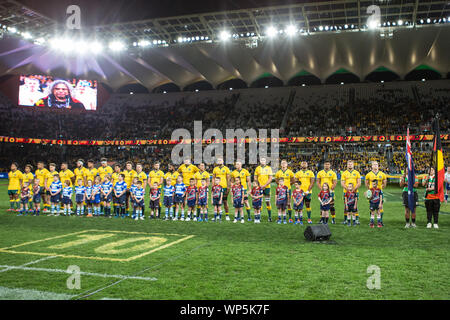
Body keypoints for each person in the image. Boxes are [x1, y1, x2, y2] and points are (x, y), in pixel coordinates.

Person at [365, 161, 387, 225]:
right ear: (371, 166)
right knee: (371, 207)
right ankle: (371, 222)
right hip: (372, 193)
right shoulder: (368, 174)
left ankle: (380, 221)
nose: (375, 165)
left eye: (376, 164)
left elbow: (384, 183)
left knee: (380, 207)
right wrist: (369, 190)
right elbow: (366, 183)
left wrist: (380, 188)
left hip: (379, 193)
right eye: (374, 164)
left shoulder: (382, 174)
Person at [341, 160, 361, 225]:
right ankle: (345, 220)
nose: (350, 165)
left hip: (355, 192)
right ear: (347, 165)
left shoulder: (357, 172)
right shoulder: (344, 173)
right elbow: (342, 183)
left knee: (355, 205)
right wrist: (349, 190)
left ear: (353, 165)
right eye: (349, 164)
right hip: (346, 192)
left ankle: (356, 220)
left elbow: (359, 183)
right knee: (346, 206)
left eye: (351, 164)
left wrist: (353, 189)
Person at [254, 158, 273, 222]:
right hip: (259, 187)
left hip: (267, 187)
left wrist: (265, 185)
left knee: (268, 202)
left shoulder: (269, 168)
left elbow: (270, 178)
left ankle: (270, 217)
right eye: (261, 160)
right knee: (260, 202)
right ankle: (259, 217)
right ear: (260, 161)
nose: (263, 161)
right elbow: (255, 178)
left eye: (264, 160)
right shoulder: (257, 168)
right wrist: (259, 185)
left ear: (266, 162)